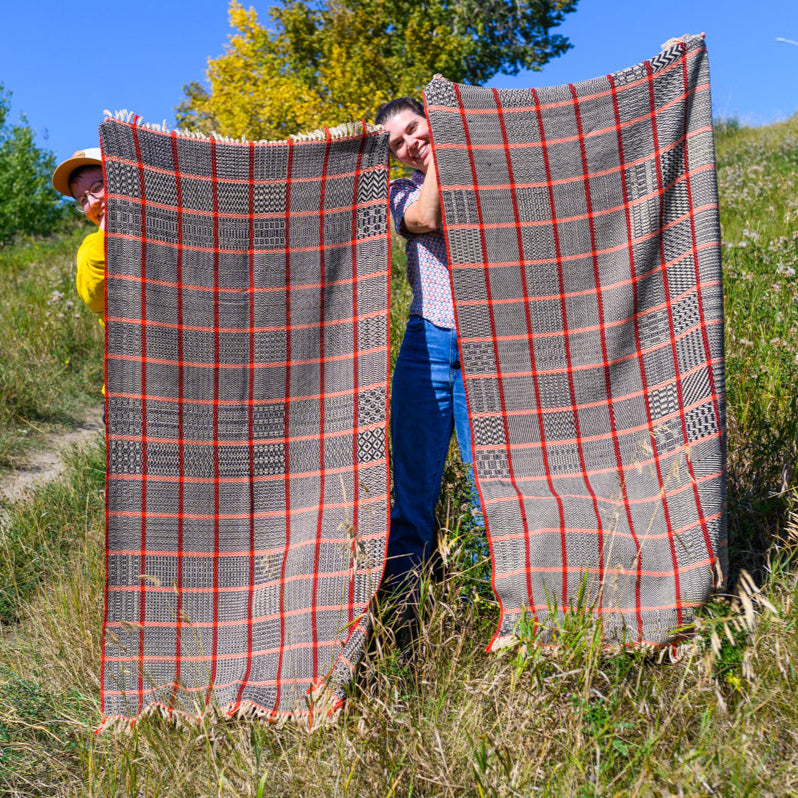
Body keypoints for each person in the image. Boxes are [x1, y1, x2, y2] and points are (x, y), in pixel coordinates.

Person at [376, 97, 481, 595]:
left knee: (492, 490)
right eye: (397, 143)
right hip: (429, 344)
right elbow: (429, 217)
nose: (409, 144)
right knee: (413, 489)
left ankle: (496, 608)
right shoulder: (400, 191)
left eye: (415, 129)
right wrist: (442, 147)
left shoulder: (488, 170)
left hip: (490, 344)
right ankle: (403, 614)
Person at [52, 148, 106, 333]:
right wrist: (108, 229)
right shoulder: (91, 244)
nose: (92, 203)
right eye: (83, 199)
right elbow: (94, 298)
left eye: (98, 188)